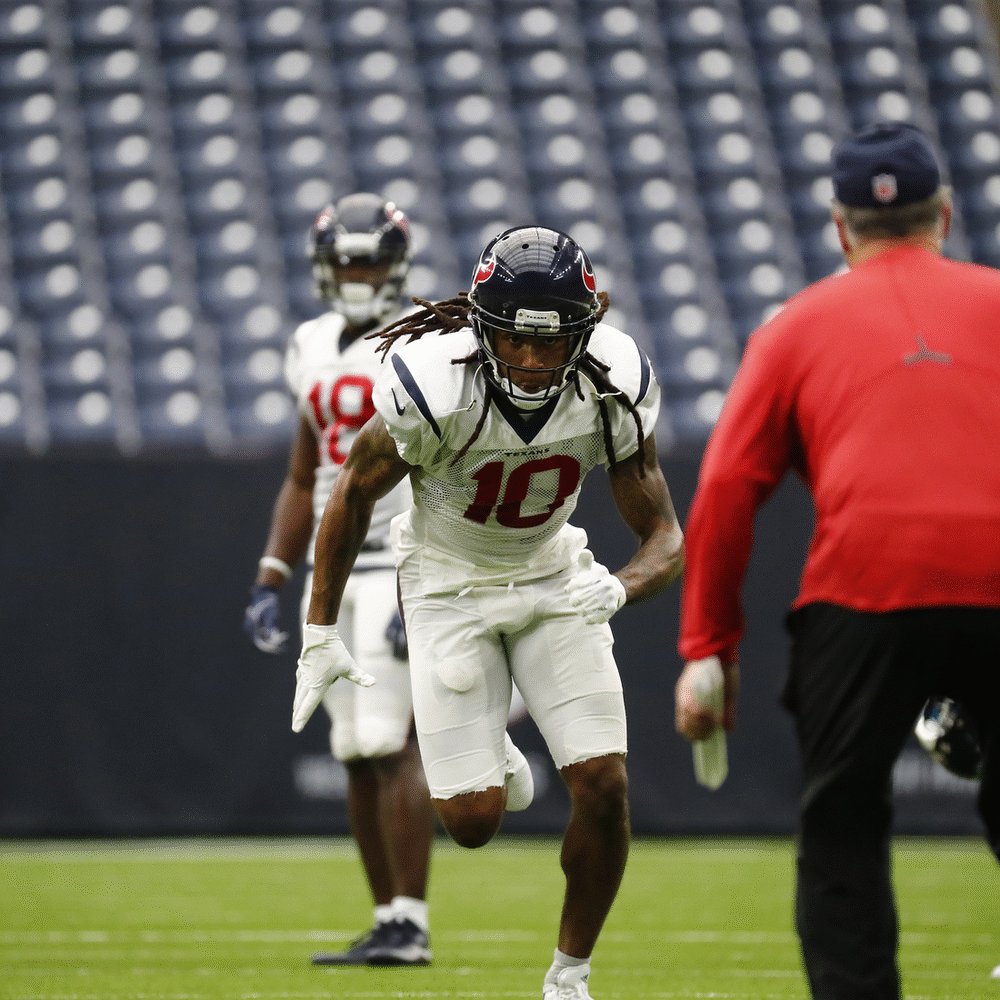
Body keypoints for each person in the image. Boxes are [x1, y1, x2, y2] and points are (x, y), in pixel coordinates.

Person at [290, 225, 685, 1000]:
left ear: (588, 326)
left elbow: (664, 534)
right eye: (515, 341)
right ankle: (496, 747)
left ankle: (569, 976)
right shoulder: (433, 384)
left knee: (604, 783)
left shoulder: (613, 379)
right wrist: (319, 628)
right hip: (445, 586)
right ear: (480, 324)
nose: (533, 364)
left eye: (553, 343)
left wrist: (622, 586)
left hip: (551, 578)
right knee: (471, 823)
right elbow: (353, 491)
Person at [674, 121, 1000, 999]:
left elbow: (726, 493)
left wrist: (710, 648)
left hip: (865, 589)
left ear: (838, 225)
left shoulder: (793, 328)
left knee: (844, 823)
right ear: (947, 211)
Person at [244, 193, 436, 966]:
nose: (359, 274)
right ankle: (388, 916)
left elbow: (442, 466)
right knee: (355, 747)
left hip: (397, 557)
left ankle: (412, 922)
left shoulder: (426, 343)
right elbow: (304, 473)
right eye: (348, 260)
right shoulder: (310, 344)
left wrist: (422, 573)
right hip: (336, 567)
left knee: (393, 741)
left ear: (396, 265)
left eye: (371, 260)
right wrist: (272, 570)